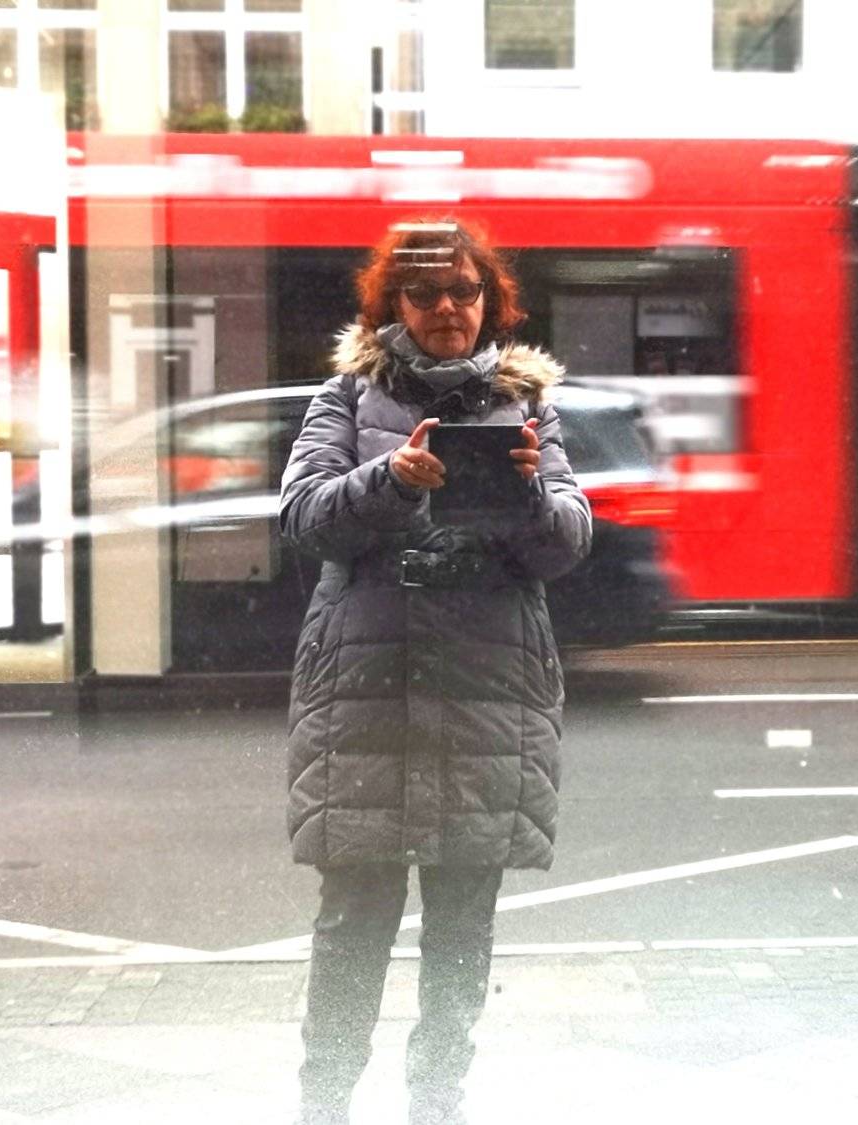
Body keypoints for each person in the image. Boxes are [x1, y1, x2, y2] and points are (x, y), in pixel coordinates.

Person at [279, 218, 592, 1125]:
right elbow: (302, 517)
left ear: (490, 300)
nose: (447, 307)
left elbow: (568, 543)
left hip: (487, 694)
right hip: (367, 692)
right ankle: (324, 1105)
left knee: (462, 931)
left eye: (464, 290)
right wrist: (392, 480)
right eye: (424, 292)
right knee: (352, 924)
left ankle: (437, 1105)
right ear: (393, 305)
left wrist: (526, 495)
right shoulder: (346, 397)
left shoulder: (528, 405)